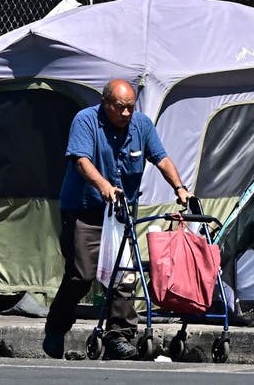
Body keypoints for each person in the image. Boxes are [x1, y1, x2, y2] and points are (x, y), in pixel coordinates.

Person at [43, 79, 193, 360]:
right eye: (120, 108)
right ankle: (56, 326)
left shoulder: (142, 125)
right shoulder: (86, 120)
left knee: (124, 276)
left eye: (130, 108)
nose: (126, 114)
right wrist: (103, 186)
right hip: (85, 210)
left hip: (122, 214)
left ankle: (118, 338)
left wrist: (180, 188)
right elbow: (81, 161)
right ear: (105, 103)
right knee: (81, 276)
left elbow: (161, 158)